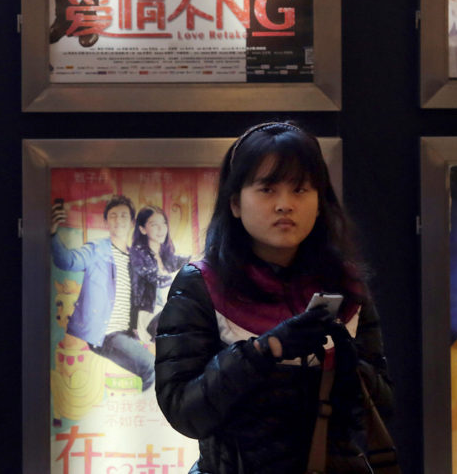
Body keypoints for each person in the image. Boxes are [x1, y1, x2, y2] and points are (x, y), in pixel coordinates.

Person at [156, 121, 393, 474]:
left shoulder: (347, 286)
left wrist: (351, 368)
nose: (285, 205)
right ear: (235, 203)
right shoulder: (201, 284)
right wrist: (264, 351)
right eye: (267, 189)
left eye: (300, 190)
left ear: (320, 200)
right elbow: (184, 412)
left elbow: (383, 407)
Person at [51, 194, 156, 391]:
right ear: (106, 221)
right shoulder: (96, 249)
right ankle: (153, 417)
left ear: (132, 222)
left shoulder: (136, 257)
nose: (119, 220)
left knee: (171, 314)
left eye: (124, 216)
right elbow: (67, 261)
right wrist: (53, 235)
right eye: (114, 216)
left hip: (130, 331)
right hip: (106, 334)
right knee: (152, 367)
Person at [130, 206, 188, 340]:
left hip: (169, 311)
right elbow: (157, 280)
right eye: (154, 225)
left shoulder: (167, 256)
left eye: (163, 224)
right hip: (149, 313)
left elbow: (188, 259)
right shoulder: (138, 254)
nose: (161, 229)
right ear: (143, 229)